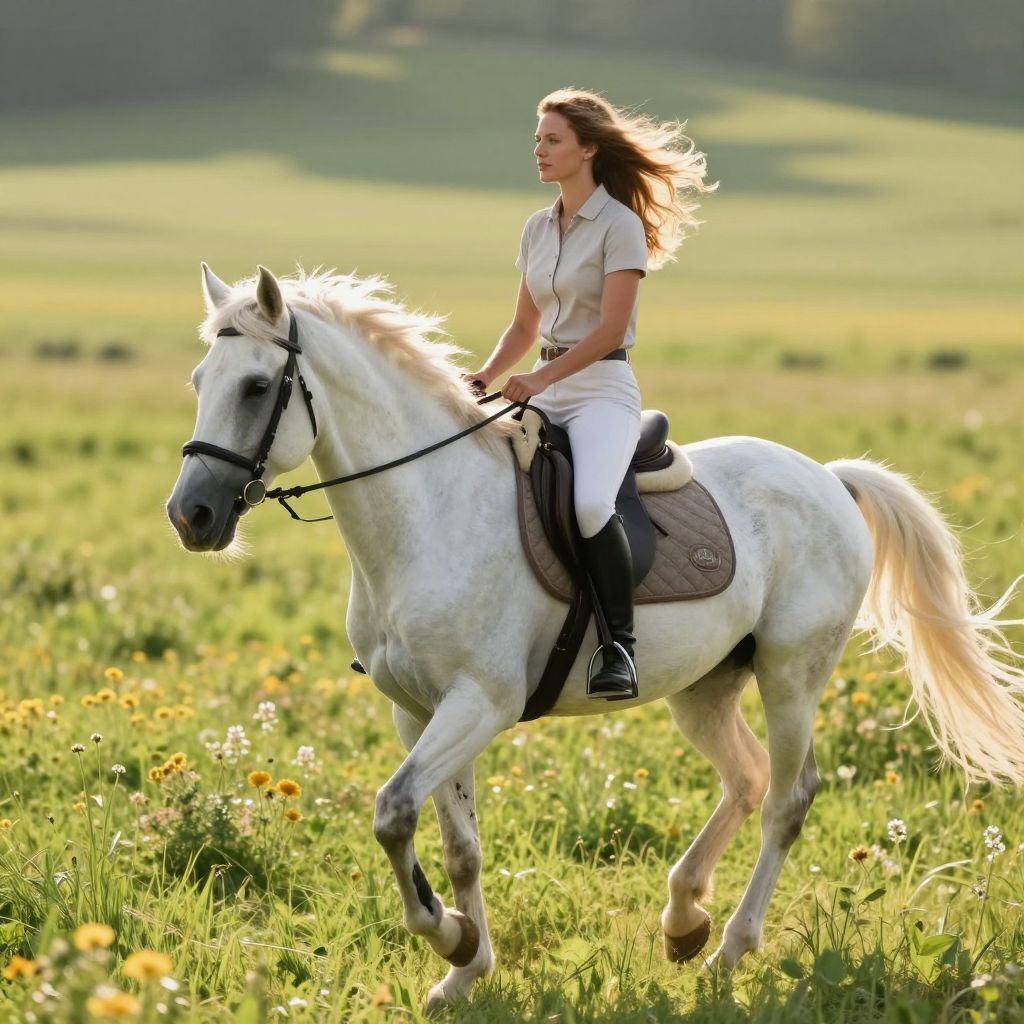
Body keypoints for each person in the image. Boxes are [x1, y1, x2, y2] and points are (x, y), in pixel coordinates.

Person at [465, 87, 716, 699]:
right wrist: (484, 377)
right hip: (543, 387)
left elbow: (608, 331)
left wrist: (542, 378)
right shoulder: (535, 228)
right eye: (538, 139)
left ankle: (618, 649)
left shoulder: (620, 226)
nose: (539, 150)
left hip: (600, 390)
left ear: (588, 150)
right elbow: (525, 327)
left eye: (552, 140)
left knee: (590, 507)